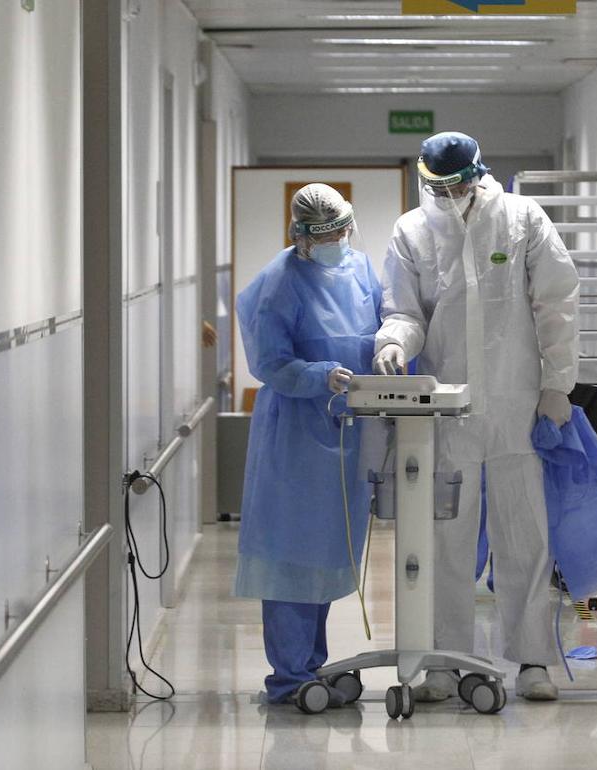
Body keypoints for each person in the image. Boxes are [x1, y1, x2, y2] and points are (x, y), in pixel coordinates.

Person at [374, 131, 580, 701]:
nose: (449, 197)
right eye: (438, 187)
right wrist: (393, 340)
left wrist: (557, 384)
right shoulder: (412, 230)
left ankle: (533, 660)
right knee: (445, 539)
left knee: (525, 536)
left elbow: (556, 304)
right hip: (449, 408)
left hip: (517, 402)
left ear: (477, 174)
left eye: (457, 186)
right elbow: (405, 309)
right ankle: (443, 661)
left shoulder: (521, 219)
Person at [234, 183, 382, 707]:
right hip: (295, 437)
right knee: (291, 556)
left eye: (343, 230)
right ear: (302, 236)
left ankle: (311, 666)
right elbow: (270, 364)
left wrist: (391, 350)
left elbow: (383, 325)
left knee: (325, 553)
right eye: (328, 234)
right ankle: (290, 676)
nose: (339, 240)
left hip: (346, 435)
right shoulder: (277, 284)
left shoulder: (361, 271)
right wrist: (322, 376)